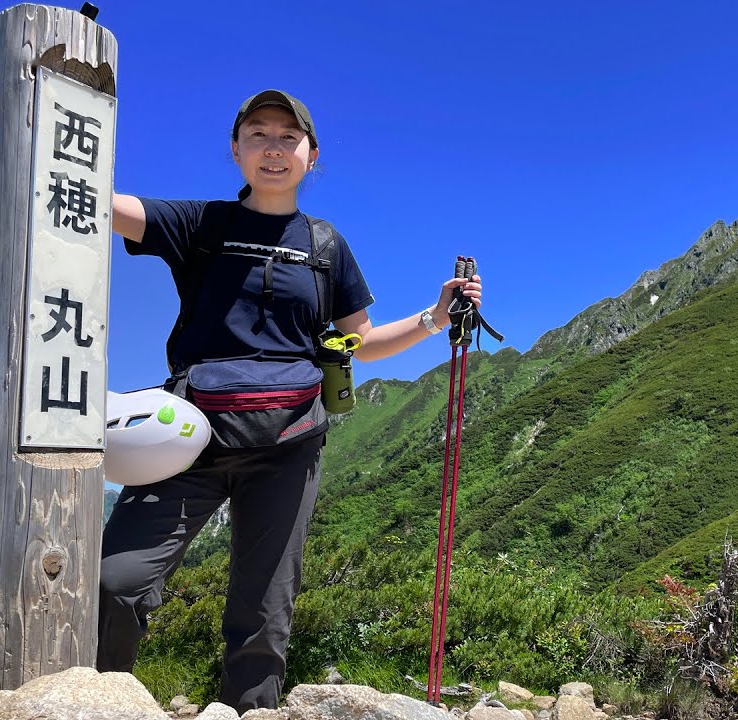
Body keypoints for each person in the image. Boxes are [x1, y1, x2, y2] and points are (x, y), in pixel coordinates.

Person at [99, 89, 482, 713]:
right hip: (188, 435)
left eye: (287, 137)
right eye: (258, 134)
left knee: (265, 611)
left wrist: (436, 316)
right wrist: (62, 137)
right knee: (115, 581)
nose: (273, 148)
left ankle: (250, 709)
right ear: (236, 149)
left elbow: (358, 340)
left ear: (311, 155)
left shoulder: (326, 245)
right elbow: (107, 204)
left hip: (289, 442)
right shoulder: (201, 223)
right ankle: (93, 697)